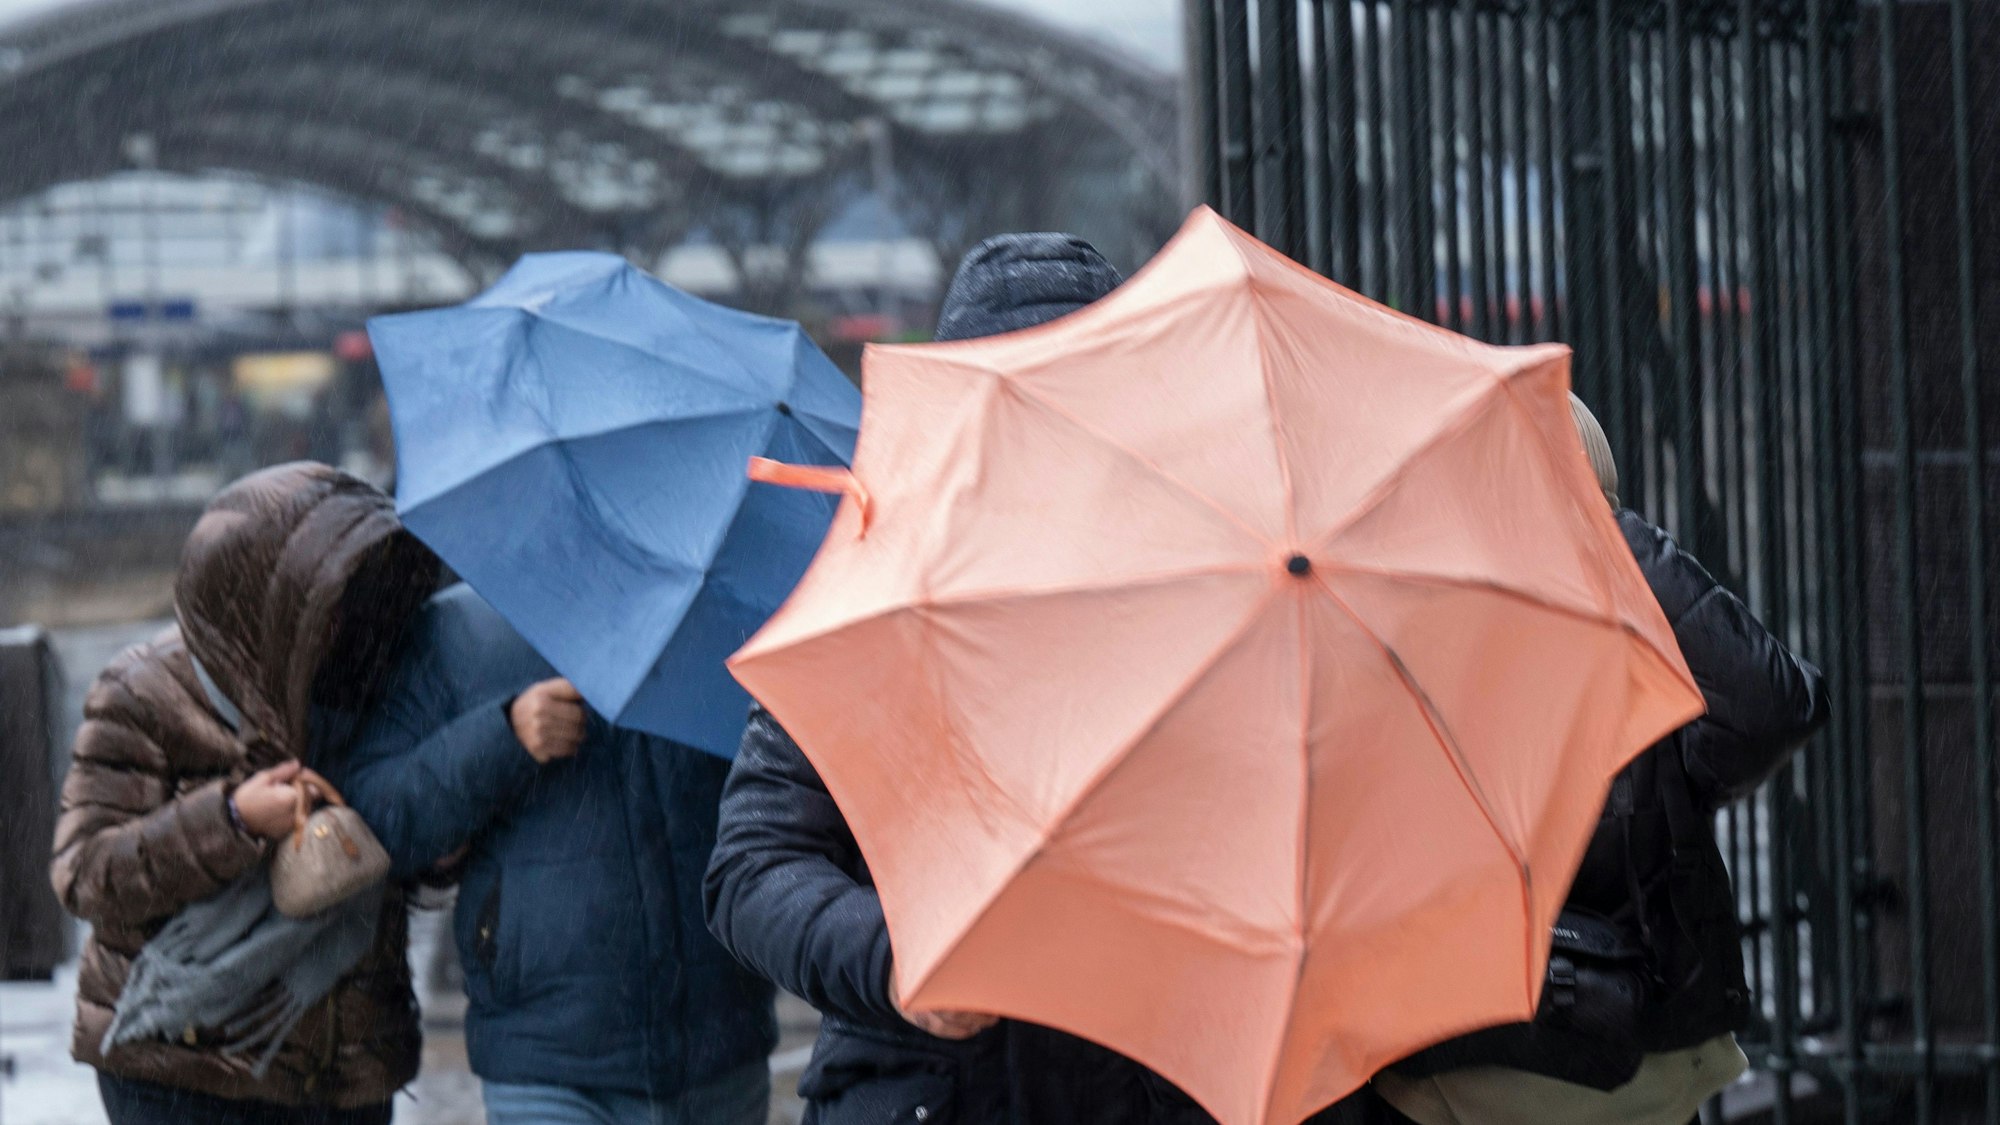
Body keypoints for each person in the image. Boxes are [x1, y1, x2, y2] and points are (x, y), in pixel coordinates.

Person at [1372, 395, 1829, 1125]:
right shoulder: (1409, 649)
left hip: (1613, 1073)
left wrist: (1600, 534)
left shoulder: (1647, 669)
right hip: (1471, 1075)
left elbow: (1772, 707)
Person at [50, 462, 440, 1125]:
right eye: (328, 599)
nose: (343, 621)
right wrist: (232, 819)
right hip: (182, 1062)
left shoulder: (373, 682)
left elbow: (414, 866)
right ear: (271, 599)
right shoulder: (145, 692)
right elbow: (88, 875)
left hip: (337, 1073)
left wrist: (421, 822)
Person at [332, 583, 778, 1125]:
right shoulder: (463, 629)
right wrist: (505, 736)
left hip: (721, 1044)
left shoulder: (727, 616)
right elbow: (376, 821)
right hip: (548, 1059)